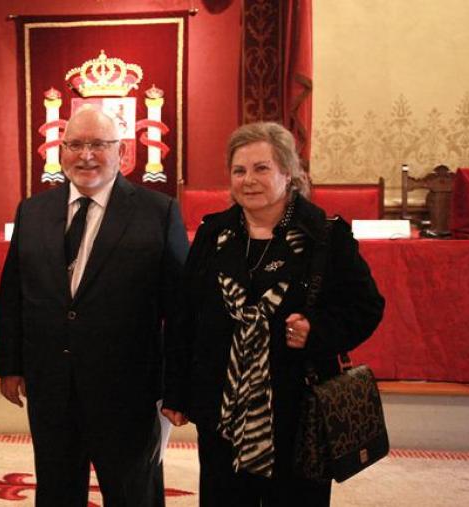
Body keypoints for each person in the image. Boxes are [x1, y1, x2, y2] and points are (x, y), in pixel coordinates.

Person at [162, 122, 385, 506]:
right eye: (239, 170)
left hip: (298, 413)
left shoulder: (325, 237)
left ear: (288, 172)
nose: (248, 180)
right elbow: (185, 317)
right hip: (222, 411)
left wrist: (317, 330)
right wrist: (176, 392)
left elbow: (366, 307)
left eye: (261, 168)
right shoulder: (213, 235)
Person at [0, 106, 189, 506]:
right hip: (52, 387)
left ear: (122, 152)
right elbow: (14, 294)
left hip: (128, 392)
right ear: (62, 151)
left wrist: (177, 388)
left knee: (133, 494)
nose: (86, 155)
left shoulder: (158, 212)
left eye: (99, 145)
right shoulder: (33, 211)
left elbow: (181, 310)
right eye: (75, 145)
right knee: (56, 493)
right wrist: (11, 365)